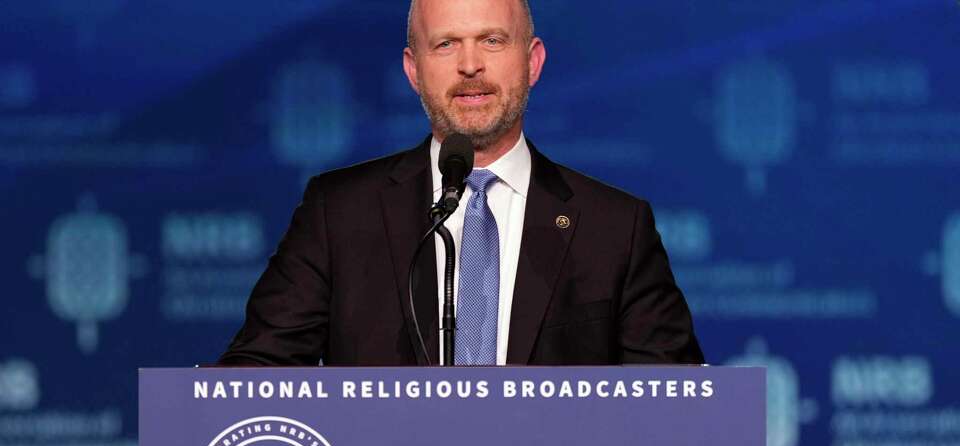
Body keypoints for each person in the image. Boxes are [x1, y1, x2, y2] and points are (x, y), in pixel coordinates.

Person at [217, 0, 704, 367]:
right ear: (413, 70)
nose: (470, 64)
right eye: (445, 44)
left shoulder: (614, 227)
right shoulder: (338, 213)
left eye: (492, 40)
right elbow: (256, 377)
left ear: (532, 62)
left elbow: (677, 405)